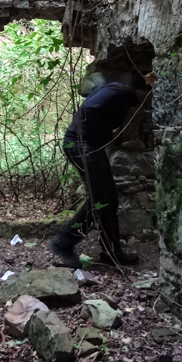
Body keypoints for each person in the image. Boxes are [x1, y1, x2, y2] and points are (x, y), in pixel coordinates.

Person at [49, 71, 150, 268]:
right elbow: (90, 109)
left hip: (86, 145)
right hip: (82, 146)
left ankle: (111, 252)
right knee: (102, 199)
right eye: (149, 93)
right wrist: (94, 133)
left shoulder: (119, 91)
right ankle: (64, 243)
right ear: (142, 90)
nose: (149, 100)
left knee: (107, 200)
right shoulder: (121, 91)